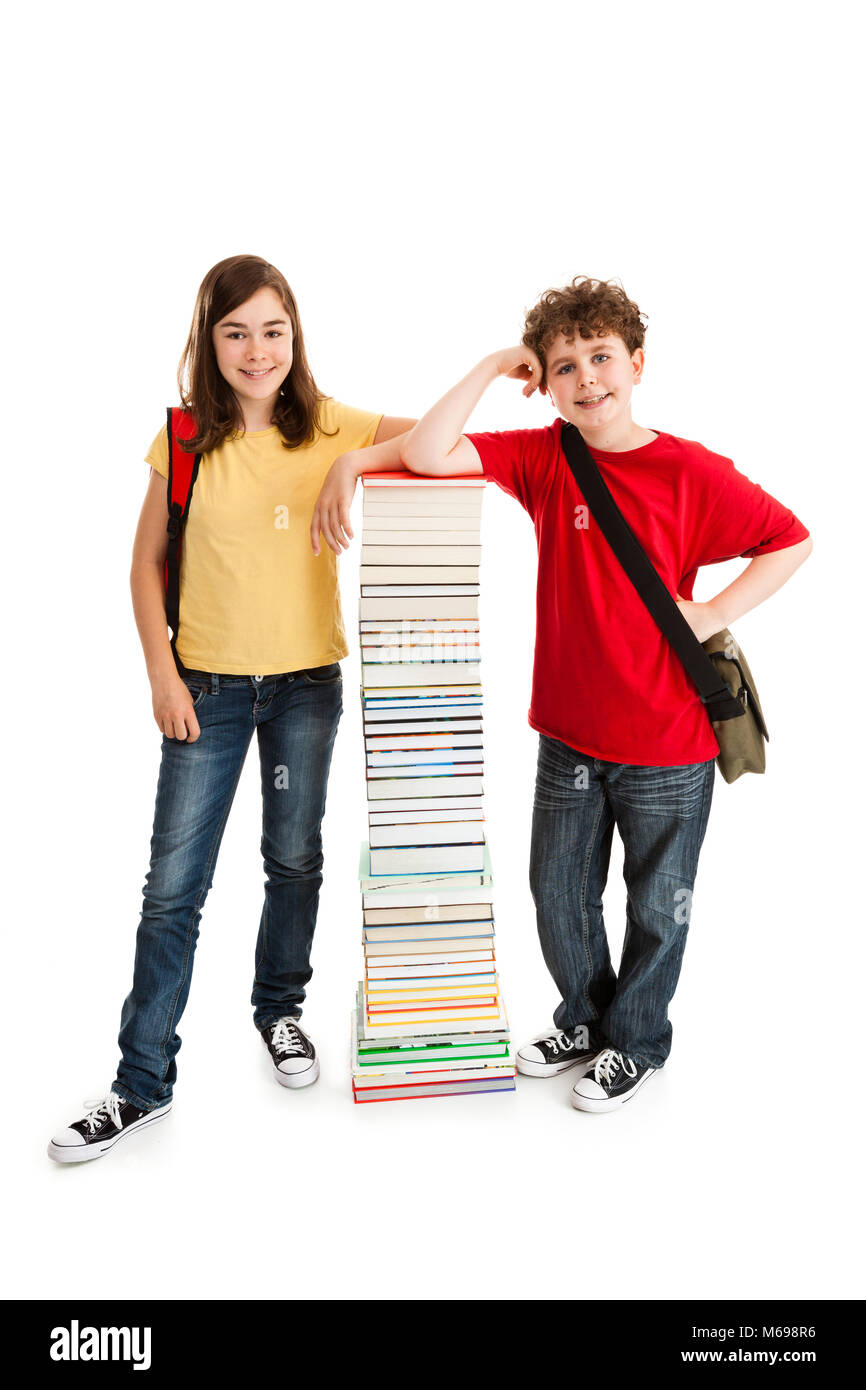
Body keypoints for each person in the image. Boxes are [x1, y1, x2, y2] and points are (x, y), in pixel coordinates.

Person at [394, 276, 812, 1113]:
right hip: (569, 736)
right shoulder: (546, 456)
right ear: (543, 383)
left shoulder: (691, 471)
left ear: (637, 363)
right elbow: (427, 452)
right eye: (563, 367)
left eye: (601, 358)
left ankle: (638, 1040)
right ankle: (584, 1021)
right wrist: (490, 363)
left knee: (659, 907)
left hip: (668, 741)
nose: (586, 379)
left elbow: (790, 537)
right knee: (557, 891)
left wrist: (714, 612)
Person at [47, 254, 415, 1162]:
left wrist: (361, 458)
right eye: (236, 332)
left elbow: (447, 442)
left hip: (305, 690)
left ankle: (279, 1010)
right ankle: (142, 1084)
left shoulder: (331, 423)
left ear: (297, 336)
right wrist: (162, 676)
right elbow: (144, 565)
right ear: (209, 343)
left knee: (295, 860)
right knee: (172, 891)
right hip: (204, 692)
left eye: (273, 331)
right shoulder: (182, 439)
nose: (257, 351)